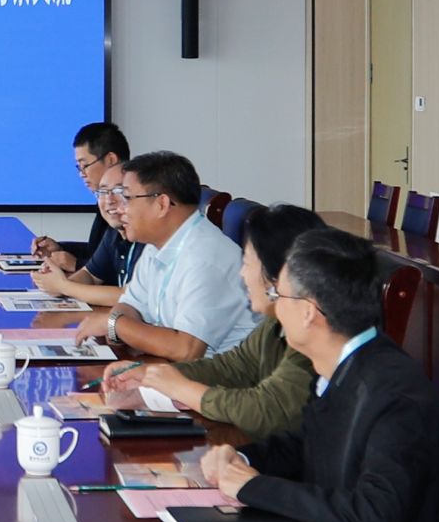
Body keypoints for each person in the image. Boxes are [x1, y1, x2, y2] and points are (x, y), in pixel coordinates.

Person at [202, 228, 439, 522]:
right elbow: (305, 445)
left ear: (308, 311)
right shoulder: (343, 364)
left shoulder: (394, 397)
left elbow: (375, 519)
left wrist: (255, 488)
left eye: (278, 295)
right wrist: (242, 458)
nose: (273, 306)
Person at [105, 204, 323, 440]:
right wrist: (150, 375)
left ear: (279, 274)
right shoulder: (274, 324)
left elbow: (264, 409)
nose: (242, 274)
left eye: (248, 263)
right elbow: (231, 368)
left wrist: (181, 388)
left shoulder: (312, 334)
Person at [75, 151, 257, 361]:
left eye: (127, 198)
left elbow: (186, 350)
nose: (121, 209)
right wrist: (117, 327)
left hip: (219, 377)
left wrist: (115, 325)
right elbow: (131, 305)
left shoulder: (206, 257)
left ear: (161, 204)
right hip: (170, 367)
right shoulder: (156, 245)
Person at [33, 161, 143, 308]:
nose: (109, 200)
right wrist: (55, 283)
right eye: (102, 192)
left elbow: (129, 297)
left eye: (119, 191)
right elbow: (90, 275)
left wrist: (64, 286)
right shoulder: (113, 232)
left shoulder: (149, 238)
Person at [31, 121, 127, 270]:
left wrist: (76, 264)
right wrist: (60, 249)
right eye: (79, 167)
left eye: (85, 166)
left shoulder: (129, 204)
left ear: (111, 160)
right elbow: (99, 252)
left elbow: (123, 270)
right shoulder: (106, 199)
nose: (82, 174)